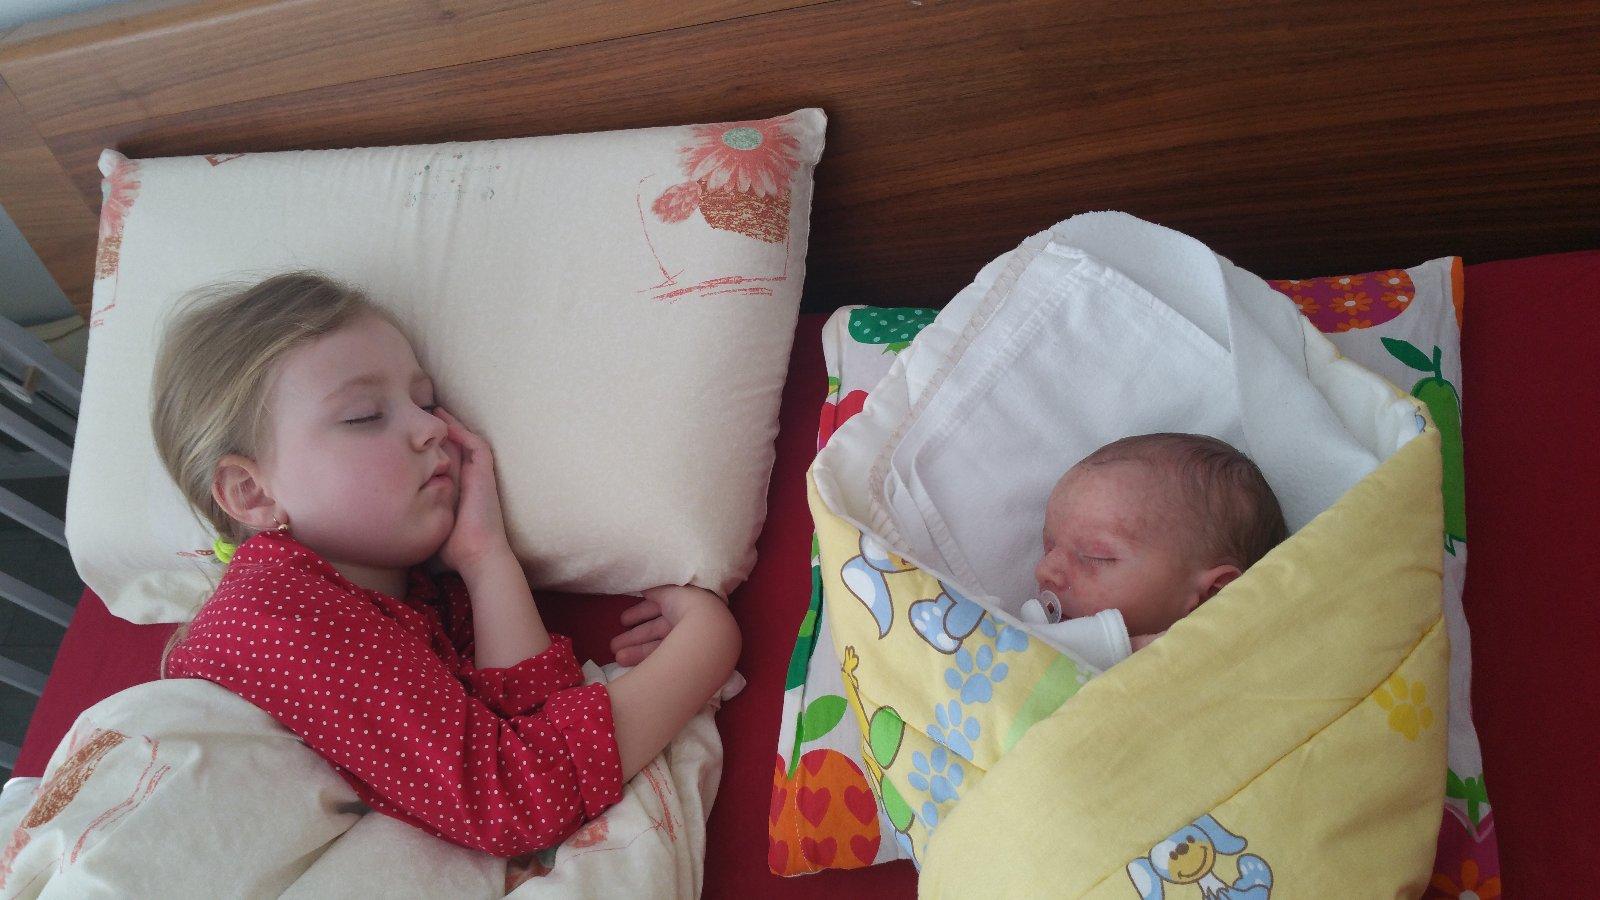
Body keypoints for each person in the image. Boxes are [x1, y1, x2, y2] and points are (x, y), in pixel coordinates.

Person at [152, 271, 741, 857]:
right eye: (365, 415)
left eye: (426, 401)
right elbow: (519, 800)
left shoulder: (415, 600)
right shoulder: (273, 612)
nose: (432, 426)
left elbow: (531, 724)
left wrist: (485, 558)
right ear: (250, 493)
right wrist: (709, 643)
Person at [1024, 432, 1287, 670]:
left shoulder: (1235, 667)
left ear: (1212, 595)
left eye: (1097, 557)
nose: (1044, 570)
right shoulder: (1029, 637)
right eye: (1049, 547)